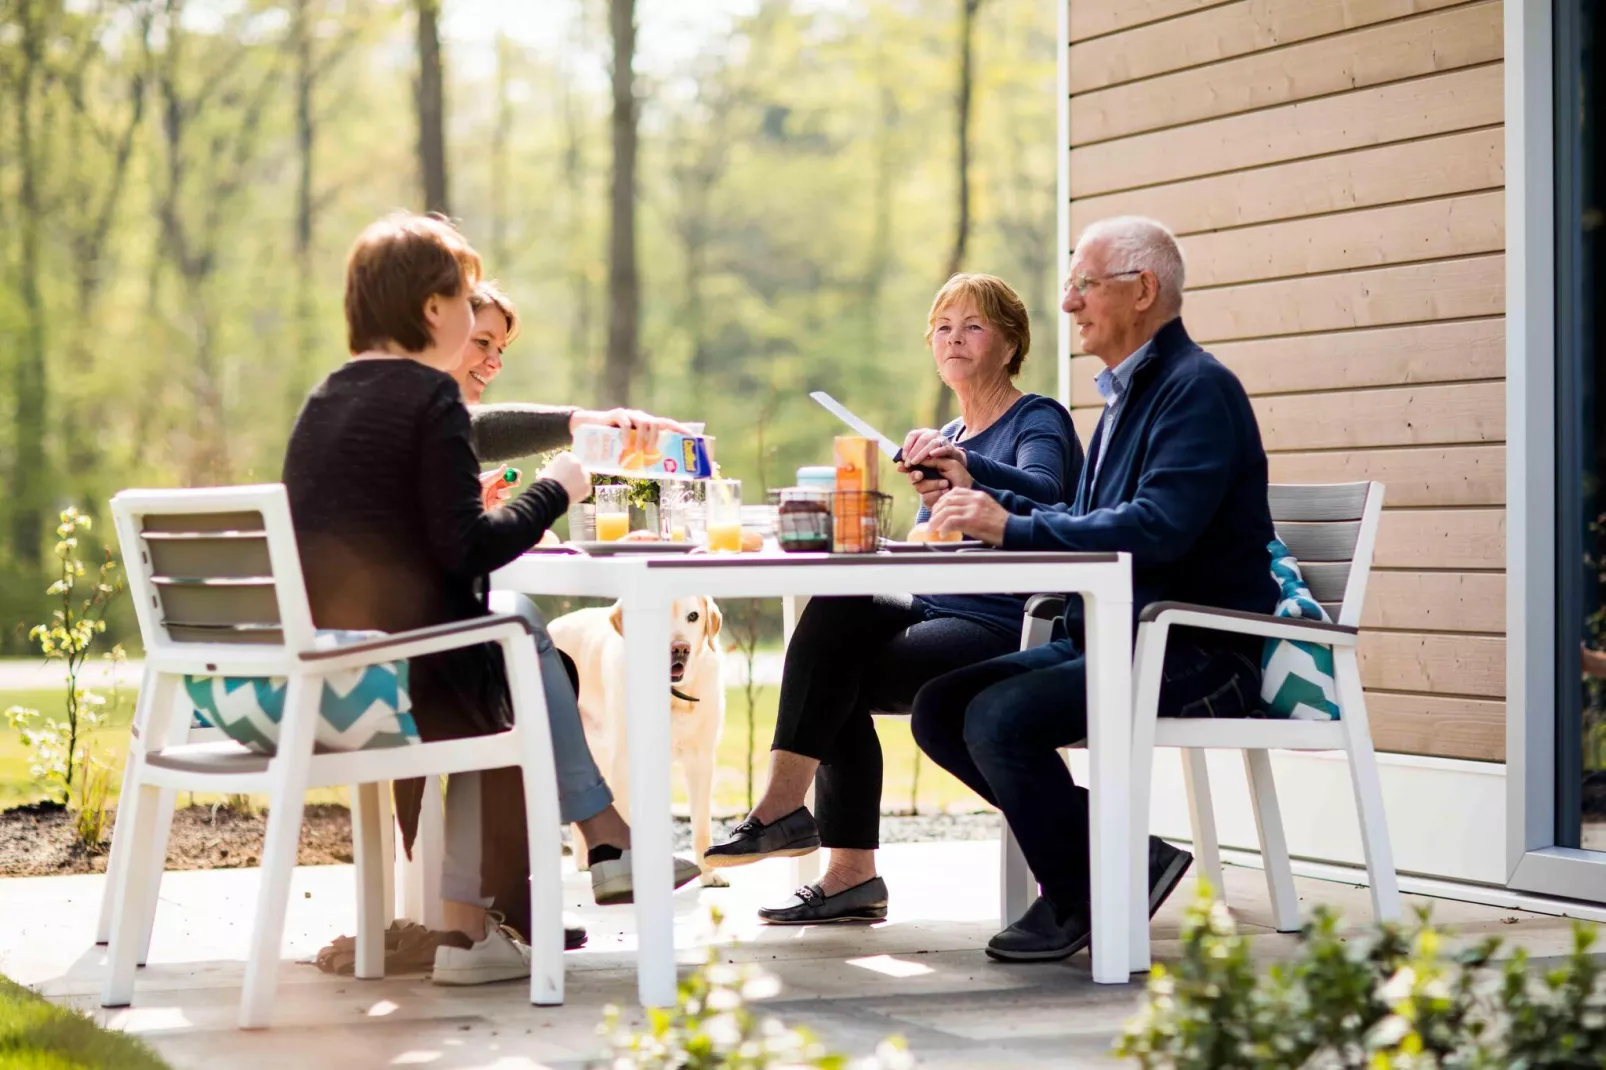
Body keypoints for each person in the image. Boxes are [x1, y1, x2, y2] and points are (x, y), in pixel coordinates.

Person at [283, 214, 698, 988]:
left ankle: (537, 889)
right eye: (468, 301)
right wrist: (564, 482)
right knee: (509, 658)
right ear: (434, 309)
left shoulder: (327, 398)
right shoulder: (427, 402)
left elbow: (377, 529)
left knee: (510, 631)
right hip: (395, 683)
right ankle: (576, 857)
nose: (478, 322)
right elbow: (472, 550)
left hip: (320, 672)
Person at [908, 216, 1278, 962]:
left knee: (1000, 717)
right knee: (941, 706)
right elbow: (1085, 516)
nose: (1070, 304)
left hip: (1198, 648)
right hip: (1120, 633)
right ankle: (1125, 863)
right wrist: (988, 494)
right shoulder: (1128, 396)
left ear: (1142, 291)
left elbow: (1156, 529)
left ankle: (1082, 894)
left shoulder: (1196, 390)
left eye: (1085, 285)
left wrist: (1007, 529)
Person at [702, 273, 1084, 924]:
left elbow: (1048, 492)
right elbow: (936, 534)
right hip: (939, 607)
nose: (954, 338)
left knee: (834, 675)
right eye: (942, 327)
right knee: (837, 609)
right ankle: (824, 849)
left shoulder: (1035, 417)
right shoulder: (945, 430)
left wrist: (965, 467)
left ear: (1010, 342)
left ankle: (807, 834)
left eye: (973, 325)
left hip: (1007, 621)